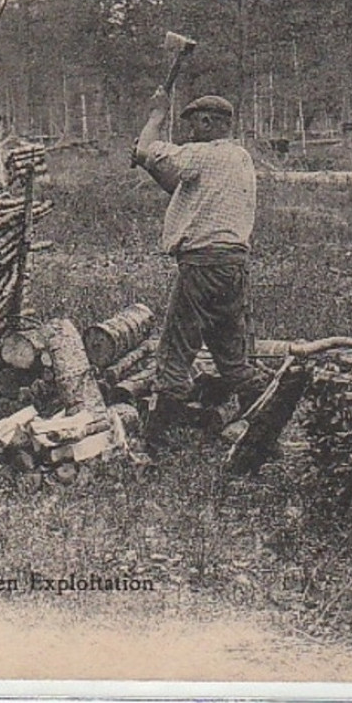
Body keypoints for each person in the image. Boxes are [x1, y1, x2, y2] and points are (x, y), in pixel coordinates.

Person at [132, 90, 262, 447]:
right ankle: (265, 423)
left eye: (192, 124)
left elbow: (148, 150)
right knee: (232, 356)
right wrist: (151, 163)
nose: (188, 132)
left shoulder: (203, 154)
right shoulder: (239, 157)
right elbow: (181, 187)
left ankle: (155, 442)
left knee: (175, 350)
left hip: (202, 265)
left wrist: (155, 118)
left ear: (207, 123)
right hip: (233, 266)